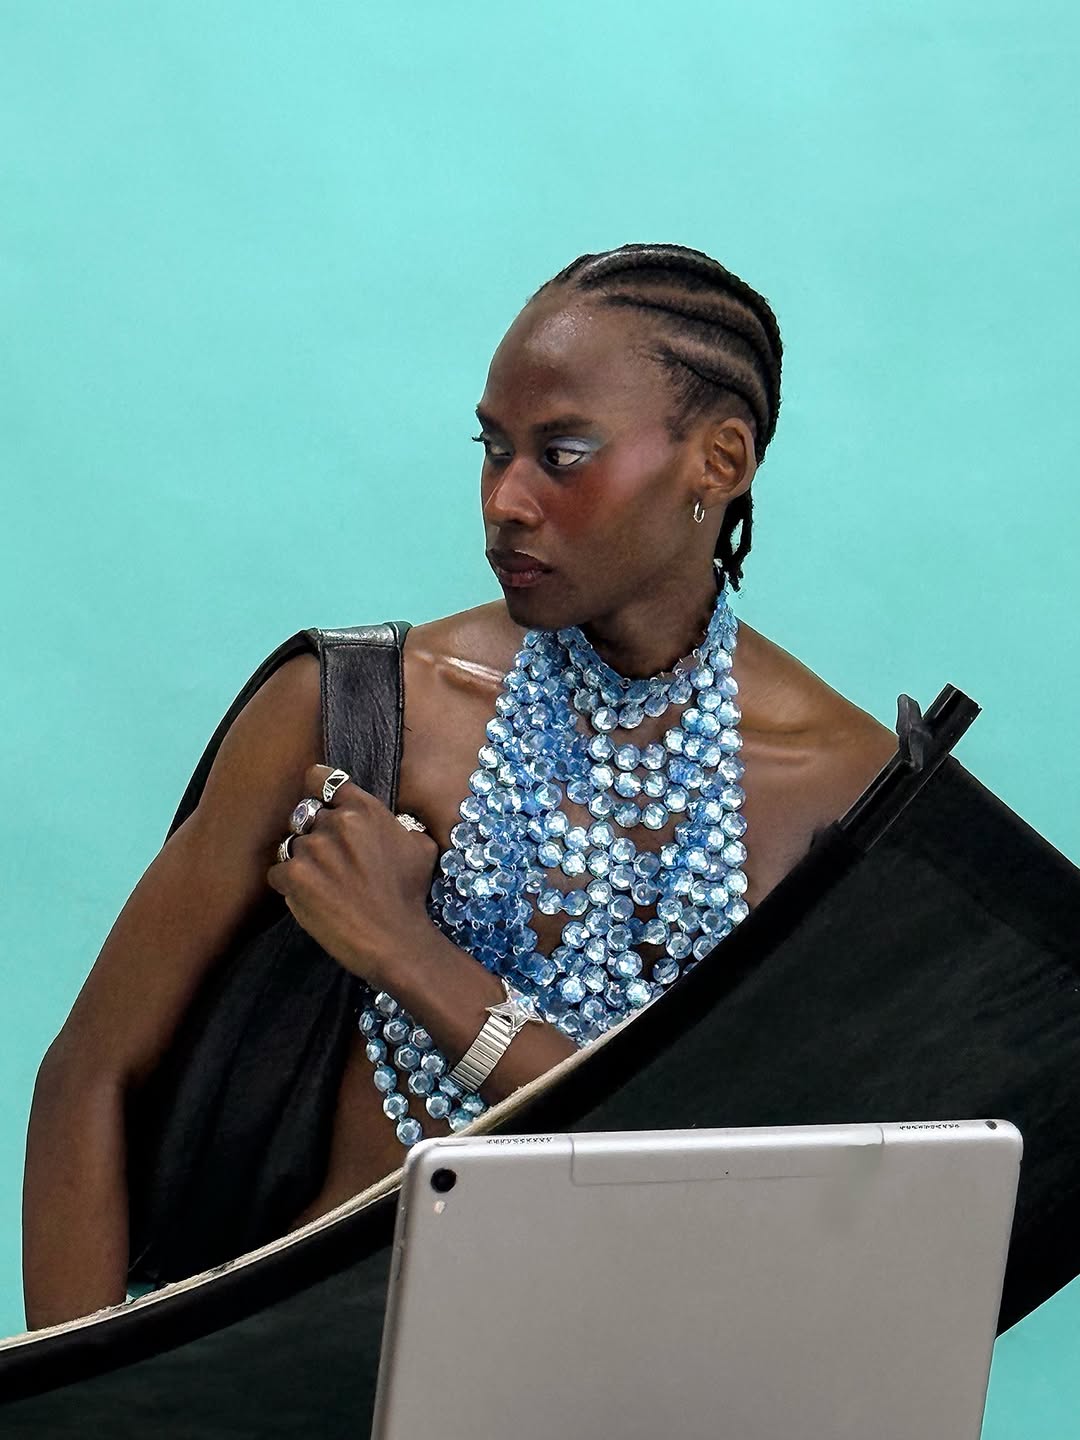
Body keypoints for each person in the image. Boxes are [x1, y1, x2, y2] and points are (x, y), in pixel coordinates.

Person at [22, 242, 897, 1329]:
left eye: (562, 454)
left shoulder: (847, 795)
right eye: (493, 449)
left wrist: (410, 953)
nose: (505, 500)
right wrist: (93, 1401)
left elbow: (742, 1201)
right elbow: (90, 1075)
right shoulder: (354, 712)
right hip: (302, 1375)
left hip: (637, 1378)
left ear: (719, 461)